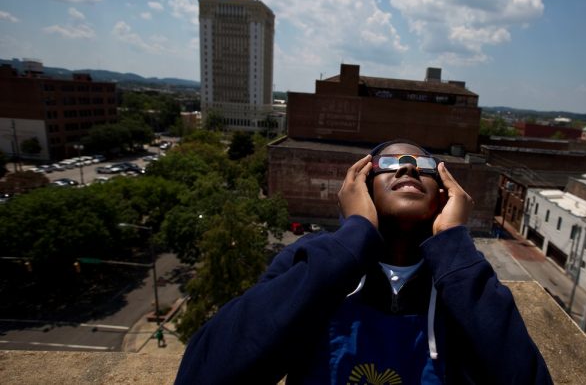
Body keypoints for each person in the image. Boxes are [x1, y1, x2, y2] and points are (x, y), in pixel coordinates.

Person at [175, 139, 552, 384]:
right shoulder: (313, 263)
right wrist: (353, 236)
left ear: (444, 194)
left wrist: (453, 242)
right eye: (390, 163)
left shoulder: (461, 282)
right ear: (360, 187)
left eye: (424, 166)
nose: (407, 167)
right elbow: (204, 373)